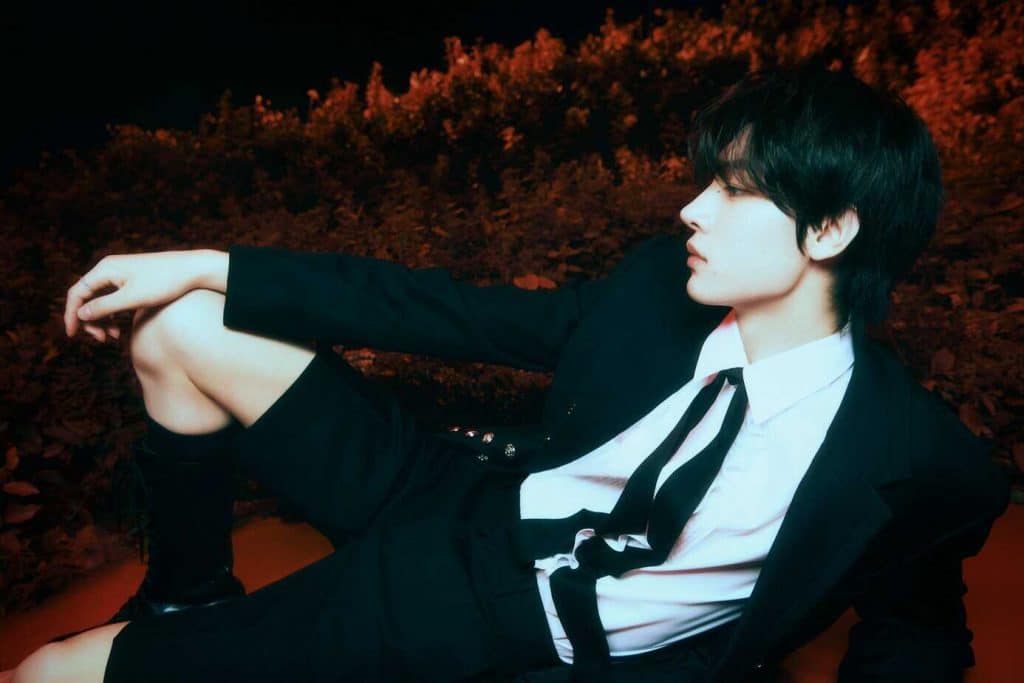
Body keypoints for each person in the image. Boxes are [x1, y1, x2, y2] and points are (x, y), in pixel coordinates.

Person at [6, 61, 1011, 683]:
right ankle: (185, 594)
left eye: (735, 191)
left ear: (831, 229)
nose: (691, 209)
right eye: (706, 180)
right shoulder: (657, 290)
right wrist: (208, 263)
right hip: (466, 496)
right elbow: (449, 311)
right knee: (181, 323)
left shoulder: (914, 458)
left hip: (494, 612)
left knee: (48, 672)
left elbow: (915, 635)